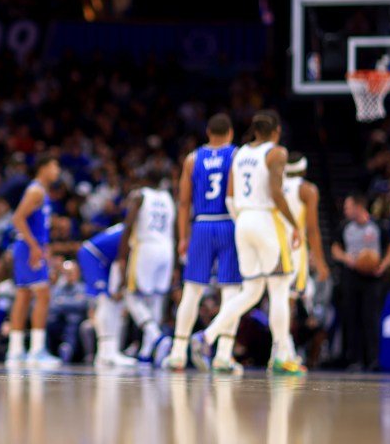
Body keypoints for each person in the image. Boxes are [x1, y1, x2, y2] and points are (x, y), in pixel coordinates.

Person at [191, 111, 304, 375]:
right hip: (266, 220)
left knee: (251, 292)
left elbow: (230, 198)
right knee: (279, 290)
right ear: (276, 131)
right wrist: (295, 225)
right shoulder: (276, 152)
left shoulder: (239, 153)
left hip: (242, 220)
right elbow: (276, 193)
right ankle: (281, 356)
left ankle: (206, 337)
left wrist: (243, 220)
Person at [164, 114, 241, 371]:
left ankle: (177, 352)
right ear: (230, 133)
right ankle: (224, 354)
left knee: (192, 290)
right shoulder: (236, 155)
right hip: (229, 223)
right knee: (231, 290)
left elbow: (184, 202)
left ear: (208, 132)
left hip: (202, 224)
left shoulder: (192, 159)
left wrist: (183, 236)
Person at [6, 154, 63, 367]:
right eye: (54, 166)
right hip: (29, 248)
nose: (57, 172)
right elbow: (17, 218)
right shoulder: (36, 191)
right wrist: (34, 246)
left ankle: (15, 350)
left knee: (23, 296)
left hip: (29, 247)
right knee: (43, 294)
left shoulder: (40, 191)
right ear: (43, 168)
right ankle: (37, 351)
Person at [116, 171, 176, 363]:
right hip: (167, 249)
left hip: (147, 247)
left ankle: (155, 336)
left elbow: (128, 226)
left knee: (130, 295)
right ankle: (147, 352)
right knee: (156, 299)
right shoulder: (168, 198)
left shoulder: (139, 195)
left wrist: (122, 256)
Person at [331, 193, 390, 371]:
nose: (345, 210)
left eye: (348, 207)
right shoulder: (345, 227)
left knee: (371, 318)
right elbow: (335, 248)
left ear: (358, 207)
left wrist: (383, 265)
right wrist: (347, 258)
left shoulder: (378, 226)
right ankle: (354, 360)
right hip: (352, 277)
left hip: (373, 279)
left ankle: (373, 360)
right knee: (352, 318)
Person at [280, 152, 330, 365]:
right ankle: (283, 353)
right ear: (304, 169)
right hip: (294, 248)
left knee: (280, 300)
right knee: (288, 302)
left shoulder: (275, 186)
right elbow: (312, 229)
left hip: (273, 244)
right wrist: (320, 261)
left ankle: (283, 350)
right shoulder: (307, 189)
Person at [77, 222, 136, 367]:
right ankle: (105, 353)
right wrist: (121, 284)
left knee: (112, 304)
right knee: (105, 302)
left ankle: (108, 352)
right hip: (93, 256)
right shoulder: (132, 232)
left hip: (102, 261)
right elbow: (122, 260)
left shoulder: (128, 228)